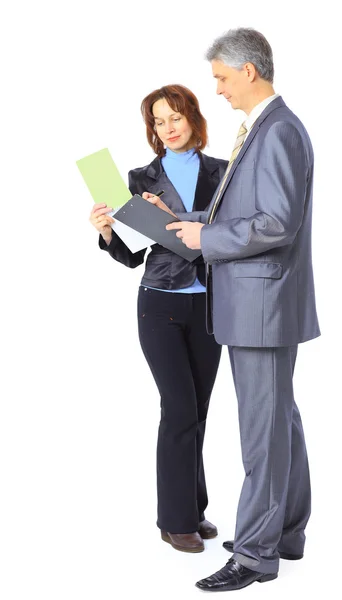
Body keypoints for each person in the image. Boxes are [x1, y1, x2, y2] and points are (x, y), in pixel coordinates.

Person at [150, 29, 320, 590]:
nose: (218, 89)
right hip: (260, 300)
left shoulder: (277, 132)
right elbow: (248, 209)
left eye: (222, 77)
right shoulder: (267, 129)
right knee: (281, 423)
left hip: (261, 303)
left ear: (249, 71)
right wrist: (192, 222)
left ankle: (254, 556)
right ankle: (286, 532)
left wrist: (206, 241)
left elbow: (276, 222)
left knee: (263, 434)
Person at [89, 84, 227, 553]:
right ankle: (174, 520)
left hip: (210, 303)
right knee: (180, 409)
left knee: (199, 412)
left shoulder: (224, 172)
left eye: (175, 118)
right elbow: (132, 256)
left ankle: (194, 507)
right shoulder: (139, 177)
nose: (167, 128)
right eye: (157, 121)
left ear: (193, 118)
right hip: (160, 303)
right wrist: (108, 233)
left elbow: (222, 233)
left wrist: (172, 216)